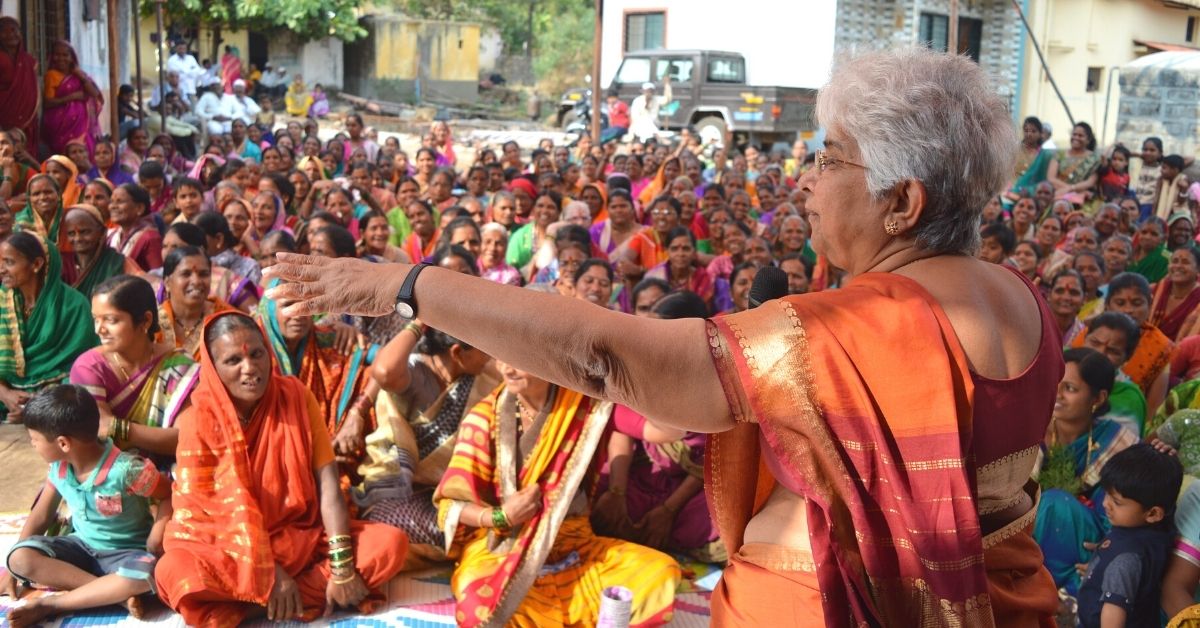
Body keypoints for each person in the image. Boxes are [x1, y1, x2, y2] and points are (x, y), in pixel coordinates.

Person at [268, 47, 1062, 626]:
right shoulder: (1021, 303)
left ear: (904, 202)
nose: (807, 181)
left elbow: (608, 356)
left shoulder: (859, 329)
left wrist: (404, 287)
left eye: (829, 159)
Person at [154, 312, 409, 625]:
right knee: (174, 571)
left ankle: (250, 609)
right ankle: (293, 597)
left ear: (268, 351)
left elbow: (328, 482)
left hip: (301, 539)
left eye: (257, 354)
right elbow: (207, 514)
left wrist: (342, 566)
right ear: (213, 368)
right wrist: (272, 574)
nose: (250, 369)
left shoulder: (295, 397)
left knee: (388, 546)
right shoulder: (198, 419)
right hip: (232, 550)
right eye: (233, 360)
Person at [432, 356, 679, 626]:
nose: (507, 367)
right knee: (477, 606)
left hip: (577, 549)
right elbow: (451, 507)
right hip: (505, 549)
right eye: (499, 357)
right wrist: (502, 517)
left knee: (660, 573)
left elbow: (668, 431)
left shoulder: (588, 406)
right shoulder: (482, 419)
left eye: (516, 356)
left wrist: (632, 373)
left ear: (549, 358)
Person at [0, 385, 172, 627]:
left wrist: (158, 532)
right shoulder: (58, 468)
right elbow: (41, 516)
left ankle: (53, 604)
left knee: (146, 575)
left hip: (125, 552)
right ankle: (111, 595)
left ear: (63, 443)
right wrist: (11, 570)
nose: (33, 445)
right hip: (79, 546)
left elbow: (169, 494)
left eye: (34, 439)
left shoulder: (127, 469)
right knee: (19, 558)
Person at [593, 291, 724, 562]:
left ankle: (660, 534)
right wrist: (617, 493)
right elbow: (622, 431)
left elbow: (711, 461)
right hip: (644, 473)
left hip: (690, 490)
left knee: (725, 520)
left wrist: (668, 510)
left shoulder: (716, 381)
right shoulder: (636, 368)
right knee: (598, 493)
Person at [353, 324, 495, 566]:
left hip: (458, 493)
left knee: (491, 521)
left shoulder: (484, 376)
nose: (490, 355)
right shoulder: (418, 374)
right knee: (394, 527)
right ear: (457, 353)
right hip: (409, 494)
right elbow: (385, 371)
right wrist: (420, 322)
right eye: (483, 350)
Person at [1035, 348, 1136, 595]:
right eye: (1055, 384)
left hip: (1091, 545)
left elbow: (1125, 512)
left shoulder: (1117, 441)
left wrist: (1108, 551)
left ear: (1098, 399)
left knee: (1056, 504)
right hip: (1027, 537)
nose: (1057, 394)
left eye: (1069, 388)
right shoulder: (1032, 431)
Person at [70, 275, 197, 460]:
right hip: (109, 474)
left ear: (145, 321)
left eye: (111, 320)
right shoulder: (89, 368)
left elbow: (186, 440)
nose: (99, 329)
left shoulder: (179, 367)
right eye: (96, 319)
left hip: (173, 469)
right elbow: (95, 439)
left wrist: (118, 428)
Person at [1075, 444, 1181, 628]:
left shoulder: (1125, 561)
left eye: (1116, 501)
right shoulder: (1156, 529)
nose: (1106, 504)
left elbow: (1113, 614)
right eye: (1106, 493)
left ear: (1153, 514)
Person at [0, 232, 98, 422]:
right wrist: (6, 394)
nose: (1, 269)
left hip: (57, 397)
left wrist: (39, 404)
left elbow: (83, 366)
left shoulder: (73, 305)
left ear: (36, 264)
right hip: (7, 398)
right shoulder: (2, 302)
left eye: (9, 262)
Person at [157, 246, 234, 358]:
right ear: (167, 283)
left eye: (203, 274)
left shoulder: (227, 317)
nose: (196, 281)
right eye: (186, 274)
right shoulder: (152, 324)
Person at [60, 204, 140, 296]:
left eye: (85, 232)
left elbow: (140, 279)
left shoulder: (116, 262)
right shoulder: (61, 263)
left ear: (102, 232)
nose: (78, 238)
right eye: (71, 233)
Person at [0, 17, 39, 153]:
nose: (10, 34)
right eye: (4, 31)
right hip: (4, 120)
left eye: (14, 30)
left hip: (27, 123)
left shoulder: (28, 61)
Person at [106, 184, 162, 272]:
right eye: (111, 202)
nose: (113, 206)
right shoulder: (113, 235)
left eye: (120, 202)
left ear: (139, 208)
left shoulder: (150, 238)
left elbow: (158, 278)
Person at [1150, 246, 1200, 341]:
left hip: (1182, 353)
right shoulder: (1156, 290)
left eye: (1185, 262)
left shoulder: (1198, 299)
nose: (1178, 266)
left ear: (1198, 269)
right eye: (1174, 261)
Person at [15, 174, 66, 249]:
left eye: (48, 192)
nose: (42, 197)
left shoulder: (68, 218)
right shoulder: (21, 223)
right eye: (36, 194)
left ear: (58, 194)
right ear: (29, 199)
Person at [1007, 115, 1051, 198]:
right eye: (1026, 130)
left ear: (1040, 134)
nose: (1029, 134)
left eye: (1033, 131)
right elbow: (1006, 171)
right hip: (1011, 188)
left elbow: (1043, 178)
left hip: (1033, 192)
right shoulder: (1014, 149)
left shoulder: (1043, 154)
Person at [1128, 217, 1170, 283]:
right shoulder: (1129, 253)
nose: (1147, 237)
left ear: (1163, 238)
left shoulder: (1168, 258)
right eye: (1144, 232)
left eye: (1154, 234)